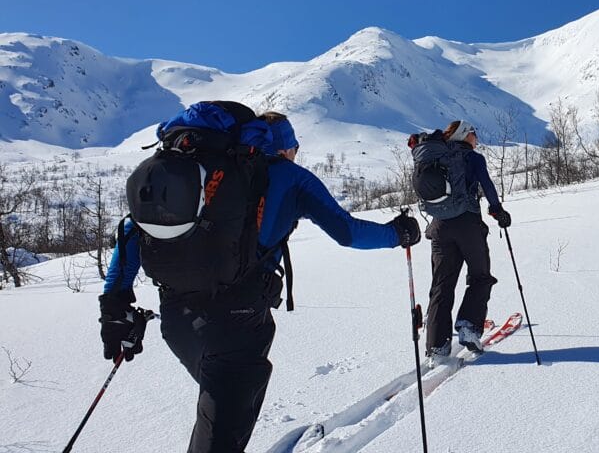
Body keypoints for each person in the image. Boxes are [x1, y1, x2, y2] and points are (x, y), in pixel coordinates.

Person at [98, 110, 421, 453]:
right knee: (221, 433)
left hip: (178, 320)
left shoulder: (206, 174)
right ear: (285, 146)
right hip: (239, 324)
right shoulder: (290, 177)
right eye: (295, 147)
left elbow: (133, 231)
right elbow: (347, 232)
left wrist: (115, 309)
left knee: (217, 415)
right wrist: (397, 234)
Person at [423, 119, 511, 366]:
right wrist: (497, 211)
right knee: (480, 276)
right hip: (468, 224)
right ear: (464, 135)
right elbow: (487, 186)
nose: (476, 137)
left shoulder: (436, 158)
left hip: (439, 227)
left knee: (442, 285)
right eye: (474, 132)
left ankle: (437, 347)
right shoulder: (473, 158)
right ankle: (469, 327)